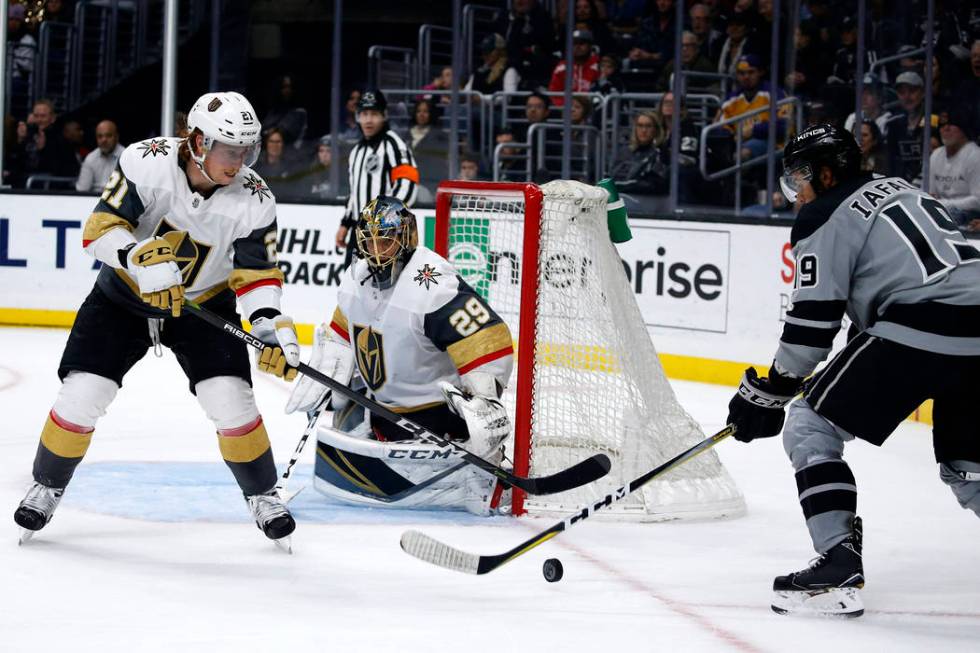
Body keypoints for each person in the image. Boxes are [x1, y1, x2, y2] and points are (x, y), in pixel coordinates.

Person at [12, 91, 301, 547]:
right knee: (82, 395)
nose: (240, 160)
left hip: (203, 307)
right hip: (122, 300)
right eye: (230, 149)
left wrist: (267, 321)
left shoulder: (255, 198)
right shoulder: (146, 161)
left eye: (247, 150)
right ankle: (47, 484)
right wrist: (136, 257)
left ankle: (264, 495)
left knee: (232, 402)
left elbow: (257, 271)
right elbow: (98, 230)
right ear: (200, 142)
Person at [726, 124, 980, 618]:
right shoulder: (900, 188)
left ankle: (837, 563)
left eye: (801, 178)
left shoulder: (825, 213)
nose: (797, 193)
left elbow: (813, 321)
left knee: (810, 423)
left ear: (826, 172)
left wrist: (773, 390)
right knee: (970, 469)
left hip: (921, 323)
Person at [286, 197, 514, 515]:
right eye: (370, 242)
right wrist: (332, 363)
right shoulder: (356, 278)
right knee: (345, 400)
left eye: (386, 242)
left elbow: (486, 336)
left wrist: (485, 397)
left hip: (437, 415)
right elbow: (343, 329)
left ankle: (481, 467)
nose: (377, 252)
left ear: (406, 240)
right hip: (383, 410)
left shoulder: (432, 283)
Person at [334, 89, 418, 266]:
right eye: (364, 114)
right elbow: (355, 193)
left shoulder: (394, 145)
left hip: (387, 235)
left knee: (386, 289)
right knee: (352, 286)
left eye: (374, 114)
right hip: (360, 232)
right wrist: (346, 223)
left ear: (384, 116)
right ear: (357, 117)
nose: (368, 120)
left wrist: (385, 221)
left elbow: (408, 186)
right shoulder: (356, 151)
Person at [885, 71, 939, 185]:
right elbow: (891, 162)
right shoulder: (894, 124)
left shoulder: (933, 119)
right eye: (902, 92)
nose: (907, 97)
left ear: (923, 92)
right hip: (900, 185)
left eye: (912, 91)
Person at [929, 109, 980, 229]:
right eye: (942, 125)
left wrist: (943, 204)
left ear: (963, 128)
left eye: (951, 124)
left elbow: (978, 200)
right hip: (941, 212)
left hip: (970, 216)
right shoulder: (936, 155)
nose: (945, 128)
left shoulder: (975, 155)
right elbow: (931, 194)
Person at [610, 111, 667, 195]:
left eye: (648, 126)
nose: (644, 130)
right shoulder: (625, 151)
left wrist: (621, 187)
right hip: (619, 196)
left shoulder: (661, 153)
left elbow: (654, 185)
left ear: (656, 130)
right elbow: (612, 176)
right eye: (640, 126)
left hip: (646, 201)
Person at [547, 29, 600, 106]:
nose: (577, 47)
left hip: (592, 111)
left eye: (581, 43)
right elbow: (554, 93)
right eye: (574, 44)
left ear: (590, 46)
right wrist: (568, 107)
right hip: (567, 111)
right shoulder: (562, 67)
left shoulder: (598, 66)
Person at [76, 120, 124, 192]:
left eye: (108, 135)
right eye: (100, 136)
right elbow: (82, 190)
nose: (104, 140)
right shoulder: (90, 159)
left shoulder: (126, 157)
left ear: (116, 137)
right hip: (93, 200)